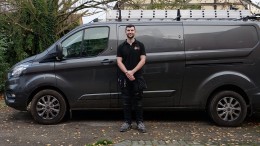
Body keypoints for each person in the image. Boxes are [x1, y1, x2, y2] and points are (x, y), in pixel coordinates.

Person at [117, 24, 147, 133]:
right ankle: (127, 123)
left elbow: (143, 60)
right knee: (126, 101)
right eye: (128, 30)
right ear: (125, 32)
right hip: (124, 78)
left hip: (137, 77)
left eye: (132, 30)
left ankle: (140, 123)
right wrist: (126, 72)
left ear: (135, 32)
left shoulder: (140, 45)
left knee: (138, 101)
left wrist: (132, 72)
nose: (130, 32)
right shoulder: (121, 46)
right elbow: (119, 61)